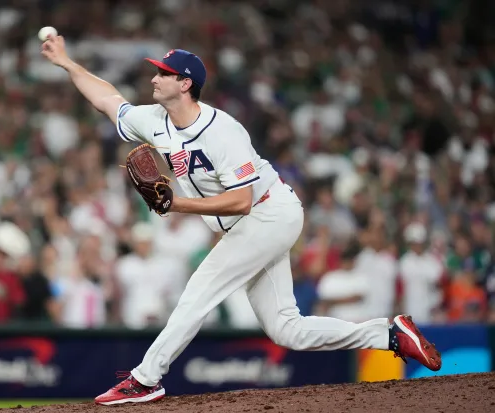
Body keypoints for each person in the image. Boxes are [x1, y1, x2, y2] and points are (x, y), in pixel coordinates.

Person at [41, 35, 442, 406]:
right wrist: (66, 63)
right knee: (287, 330)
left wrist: (176, 205)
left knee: (199, 290)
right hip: (246, 226)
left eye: (163, 73)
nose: (153, 77)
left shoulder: (223, 131)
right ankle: (388, 334)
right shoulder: (153, 119)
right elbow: (108, 99)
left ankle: (146, 379)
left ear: (185, 84)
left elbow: (242, 200)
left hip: (269, 213)